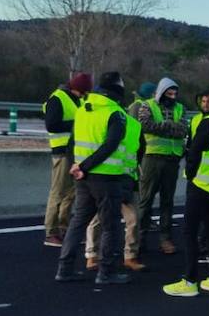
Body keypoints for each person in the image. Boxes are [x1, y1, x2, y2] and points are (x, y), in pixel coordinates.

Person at [56, 71, 142, 287]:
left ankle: (64, 269)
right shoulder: (116, 113)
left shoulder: (83, 110)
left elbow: (72, 143)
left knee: (78, 221)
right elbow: (111, 145)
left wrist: (78, 167)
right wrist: (85, 166)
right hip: (107, 177)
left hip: (83, 177)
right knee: (110, 225)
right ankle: (106, 272)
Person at [164, 86, 209, 297]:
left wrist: (191, 174)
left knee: (190, 231)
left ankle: (190, 280)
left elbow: (194, 151)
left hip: (200, 184)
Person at [135, 77, 189, 254]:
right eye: (169, 93)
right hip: (152, 158)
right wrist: (168, 125)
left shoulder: (180, 108)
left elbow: (183, 130)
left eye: (175, 93)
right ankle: (139, 238)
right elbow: (145, 125)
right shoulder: (148, 106)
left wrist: (165, 127)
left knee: (167, 201)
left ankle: (165, 239)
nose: (172, 96)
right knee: (146, 200)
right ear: (161, 92)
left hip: (172, 159)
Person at [42, 72, 90, 247]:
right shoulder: (58, 98)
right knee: (58, 192)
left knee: (71, 193)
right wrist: (76, 124)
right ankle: (51, 232)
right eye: (82, 92)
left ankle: (64, 228)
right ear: (75, 88)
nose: (84, 95)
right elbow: (52, 125)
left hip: (75, 152)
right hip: (62, 152)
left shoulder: (79, 100)